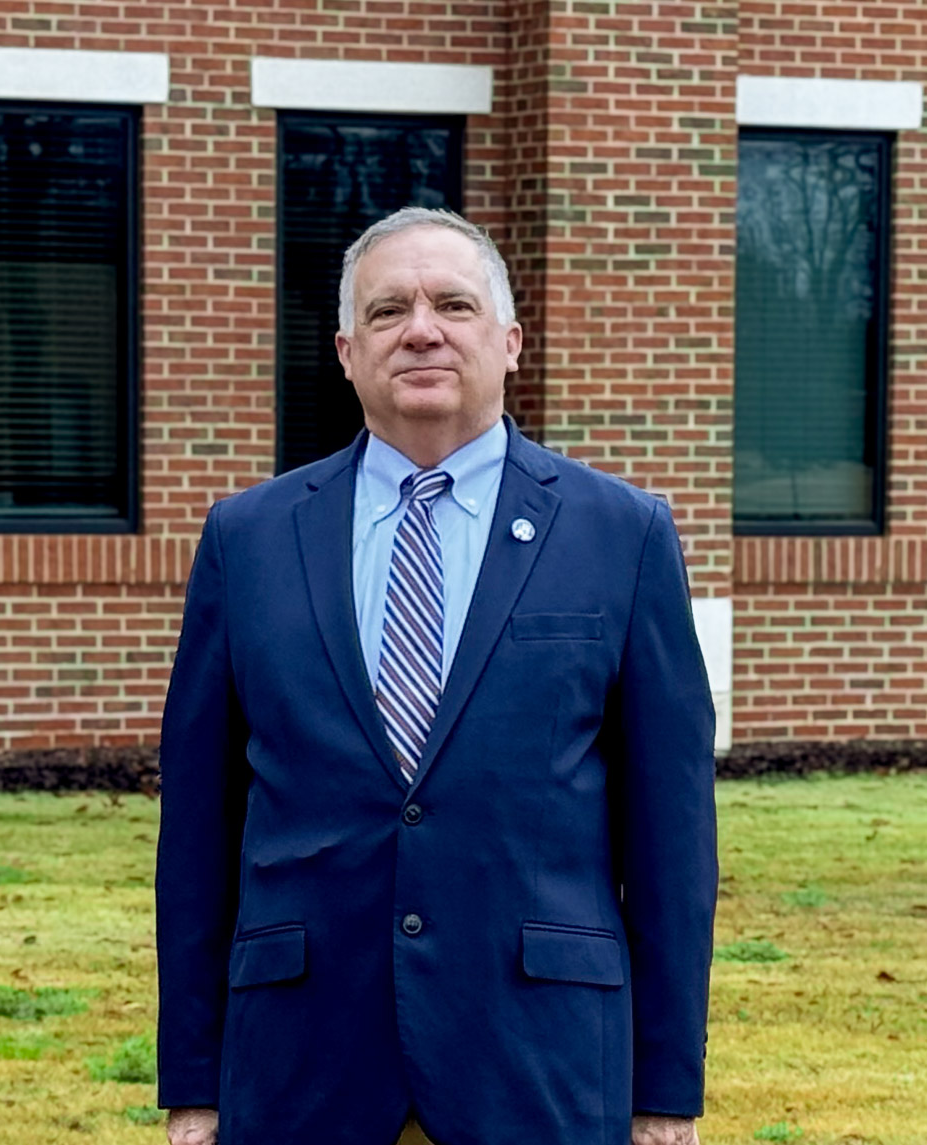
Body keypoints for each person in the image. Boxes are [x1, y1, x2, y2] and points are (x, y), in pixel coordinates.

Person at [155, 206, 718, 1145]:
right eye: (387, 312)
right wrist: (193, 1080)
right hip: (302, 1064)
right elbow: (199, 836)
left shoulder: (621, 535)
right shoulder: (246, 541)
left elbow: (672, 844)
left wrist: (665, 1091)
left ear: (510, 341)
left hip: (540, 1060)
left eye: (453, 304)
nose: (421, 328)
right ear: (345, 350)